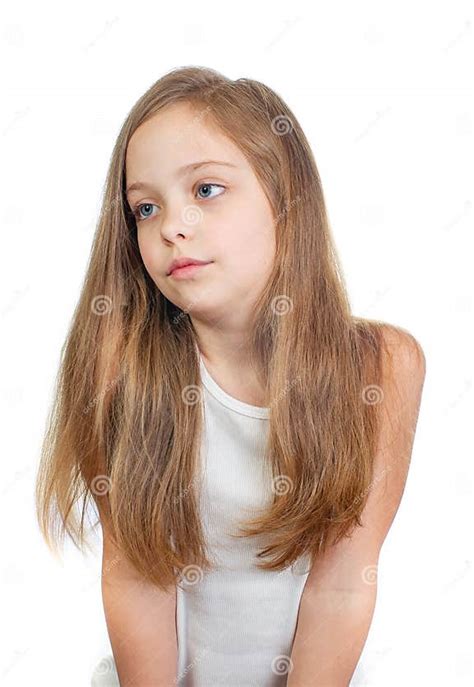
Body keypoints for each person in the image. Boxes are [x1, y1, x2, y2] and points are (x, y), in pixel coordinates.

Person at [35, 66, 426, 687]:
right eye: (145, 207)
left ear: (284, 197)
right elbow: (135, 577)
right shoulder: (120, 367)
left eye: (207, 190)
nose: (171, 227)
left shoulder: (381, 367)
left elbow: (343, 584)